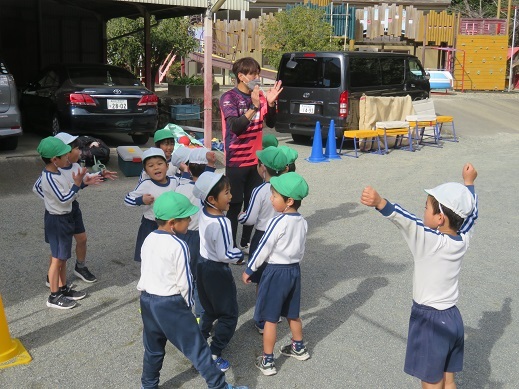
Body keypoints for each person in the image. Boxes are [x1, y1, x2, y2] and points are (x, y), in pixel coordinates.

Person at [360, 163, 479, 389]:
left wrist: (379, 202)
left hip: (430, 321)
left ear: (440, 218)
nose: (422, 211)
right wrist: (469, 184)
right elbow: (472, 215)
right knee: (449, 380)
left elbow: (407, 221)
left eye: (426, 208)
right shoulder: (463, 239)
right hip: (453, 318)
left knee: (431, 383)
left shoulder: (430, 242)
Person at [137, 191, 248, 389]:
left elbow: (146, 269)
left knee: (153, 349)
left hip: (147, 300)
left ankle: (148, 385)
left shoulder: (149, 238)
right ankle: (219, 386)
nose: (190, 221)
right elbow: (185, 281)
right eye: (186, 218)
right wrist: (187, 308)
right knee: (199, 350)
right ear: (172, 223)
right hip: (171, 303)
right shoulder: (179, 244)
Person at [242, 172, 311, 376]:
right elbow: (301, 250)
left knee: (270, 318)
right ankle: (299, 347)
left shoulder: (277, 222)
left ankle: (268, 360)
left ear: (289, 201)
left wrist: (249, 269)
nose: (271, 198)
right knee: (292, 313)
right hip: (293, 271)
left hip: (275, 272)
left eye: (274, 196)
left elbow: (263, 247)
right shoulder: (303, 222)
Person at [33, 132, 117, 286]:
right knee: (58, 251)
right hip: (59, 213)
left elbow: (82, 181)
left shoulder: (75, 166)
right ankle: (52, 279)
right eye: (76, 149)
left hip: (73, 208)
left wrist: (100, 174)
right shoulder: (52, 172)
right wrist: (53, 201)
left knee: (81, 239)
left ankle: (80, 267)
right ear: (63, 153)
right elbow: (38, 188)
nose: (79, 151)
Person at [219, 57, 283, 253]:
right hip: (236, 162)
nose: (257, 77)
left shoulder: (261, 96)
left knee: (253, 204)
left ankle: (246, 243)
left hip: (256, 162)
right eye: (253, 73)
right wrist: (254, 107)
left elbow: (271, 123)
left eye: (258, 72)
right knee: (234, 204)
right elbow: (236, 128)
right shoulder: (229, 97)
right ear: (241, 76)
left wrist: (270, 105)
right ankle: (230, 245)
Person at [36, 136, 98, 309]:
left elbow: (67, 193)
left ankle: (62, 288)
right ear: (54, 160)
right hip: (58, 220)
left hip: (64, 217)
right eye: (64, 156)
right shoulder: (49, 177)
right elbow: (64, 199)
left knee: (62, 258)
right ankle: (54, 296)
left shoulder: (56, 172)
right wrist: (77, 184)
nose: (67, 158)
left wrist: (81, 184)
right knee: (57, 259)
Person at [193, 172, 244, 372]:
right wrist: (240, 256)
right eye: (227, 193)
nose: (231, 196)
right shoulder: (222, 222)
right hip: (217, 271)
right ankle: (214, 352)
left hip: (202, 265)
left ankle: (197, 344)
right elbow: (225, 254)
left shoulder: (204, 212)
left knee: (208, 309)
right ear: (212, 199)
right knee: (229, 314)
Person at [238, 146, 288, 333]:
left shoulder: (260, 190)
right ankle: (274, 313)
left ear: (263, 168)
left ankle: (261, 320)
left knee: (261, 279)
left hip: (262, 236)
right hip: (282, 235)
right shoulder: (286, 187)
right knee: (275, 276)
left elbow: (249, 218)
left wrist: (239, 216)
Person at [174, 147, 212, 321]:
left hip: (185, 234)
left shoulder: (180, 188)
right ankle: (201, 314)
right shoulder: (212, 188)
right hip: (204, 236)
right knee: (201, 277)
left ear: (188, 168)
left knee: (184, 273)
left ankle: (181, 309)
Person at [124, 148, 179, 262]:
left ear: (167, 166)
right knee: (150, 257)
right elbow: (128, 199)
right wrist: (141, 200)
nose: (156, 167)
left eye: (160, 164)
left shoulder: (175, 181)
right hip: (151, 225)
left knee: (169, 255)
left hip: (172, 224)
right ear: (145, 171)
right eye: (151, 165)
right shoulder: (146, 184)